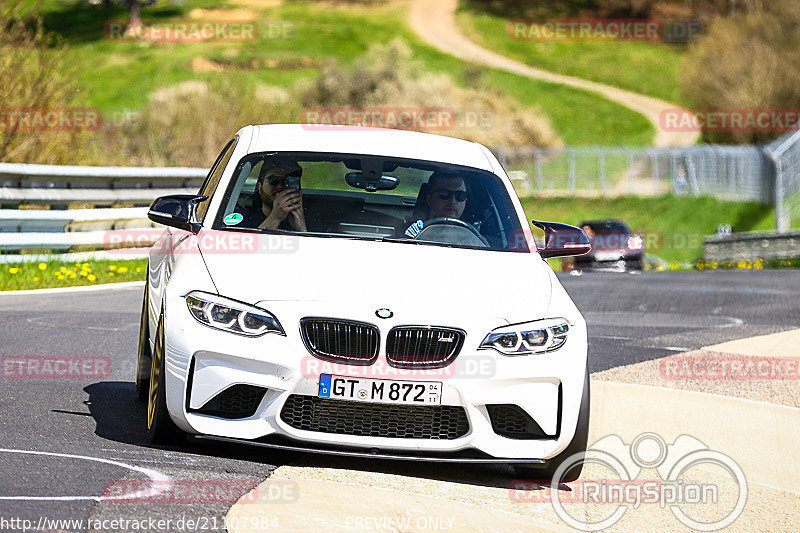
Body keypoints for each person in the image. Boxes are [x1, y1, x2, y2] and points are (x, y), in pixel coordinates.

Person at [238, 159, 307, 231]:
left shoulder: (309, 221)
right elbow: (248, 241)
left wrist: (302, 229)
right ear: (259, 187)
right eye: (273, 180)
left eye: (287, 182)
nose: (280, 186)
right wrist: (275, 218)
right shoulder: (245, 220)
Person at [405, 173, 468, 237]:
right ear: (429, 199)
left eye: (460, 195)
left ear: (465, 201)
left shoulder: (475, 237)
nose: (453, 201)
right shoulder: (416, 231)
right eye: (444, 194)